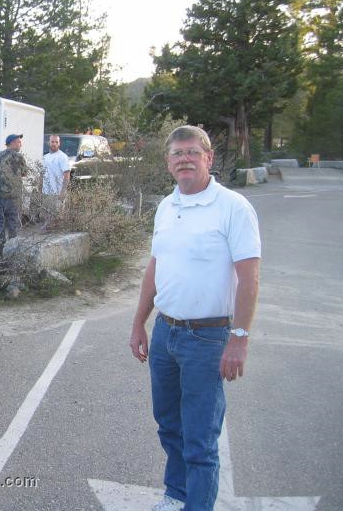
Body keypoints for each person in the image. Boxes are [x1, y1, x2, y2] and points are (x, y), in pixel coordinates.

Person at [128, 125, 261, 511]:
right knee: (170, 425)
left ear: (209, 158)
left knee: (200, 438)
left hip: (209, 337)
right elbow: (155, 267)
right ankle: (176, 494)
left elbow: (250, 278)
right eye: (176, 153)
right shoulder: (167, 206)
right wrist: (139, 322)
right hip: (166, 333)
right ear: (168, 162)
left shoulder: (234, 207)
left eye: (192, 152)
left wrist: (240, 338)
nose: (184, 159)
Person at [0, 134, 28, 258]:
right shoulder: (18, 157)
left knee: (0, 224)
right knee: (14, 225)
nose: (20, 144)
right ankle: (12, 253)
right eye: (18, 142)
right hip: (14, 198)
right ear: (12, 143)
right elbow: (24, 173)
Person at [41, 134, 71, 227]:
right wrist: (40, 189)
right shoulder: (45, 157)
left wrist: (63, 192)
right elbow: (42, 174)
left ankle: (56, 234)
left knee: (57, 216)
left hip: (57, 192)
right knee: (46, 214)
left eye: (56, 142)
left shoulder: (62, 157)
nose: (54, 144)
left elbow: (67, 175)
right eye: (52, 142)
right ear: (49, 143)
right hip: (46, 191)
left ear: (59, 143)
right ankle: (48, 231)